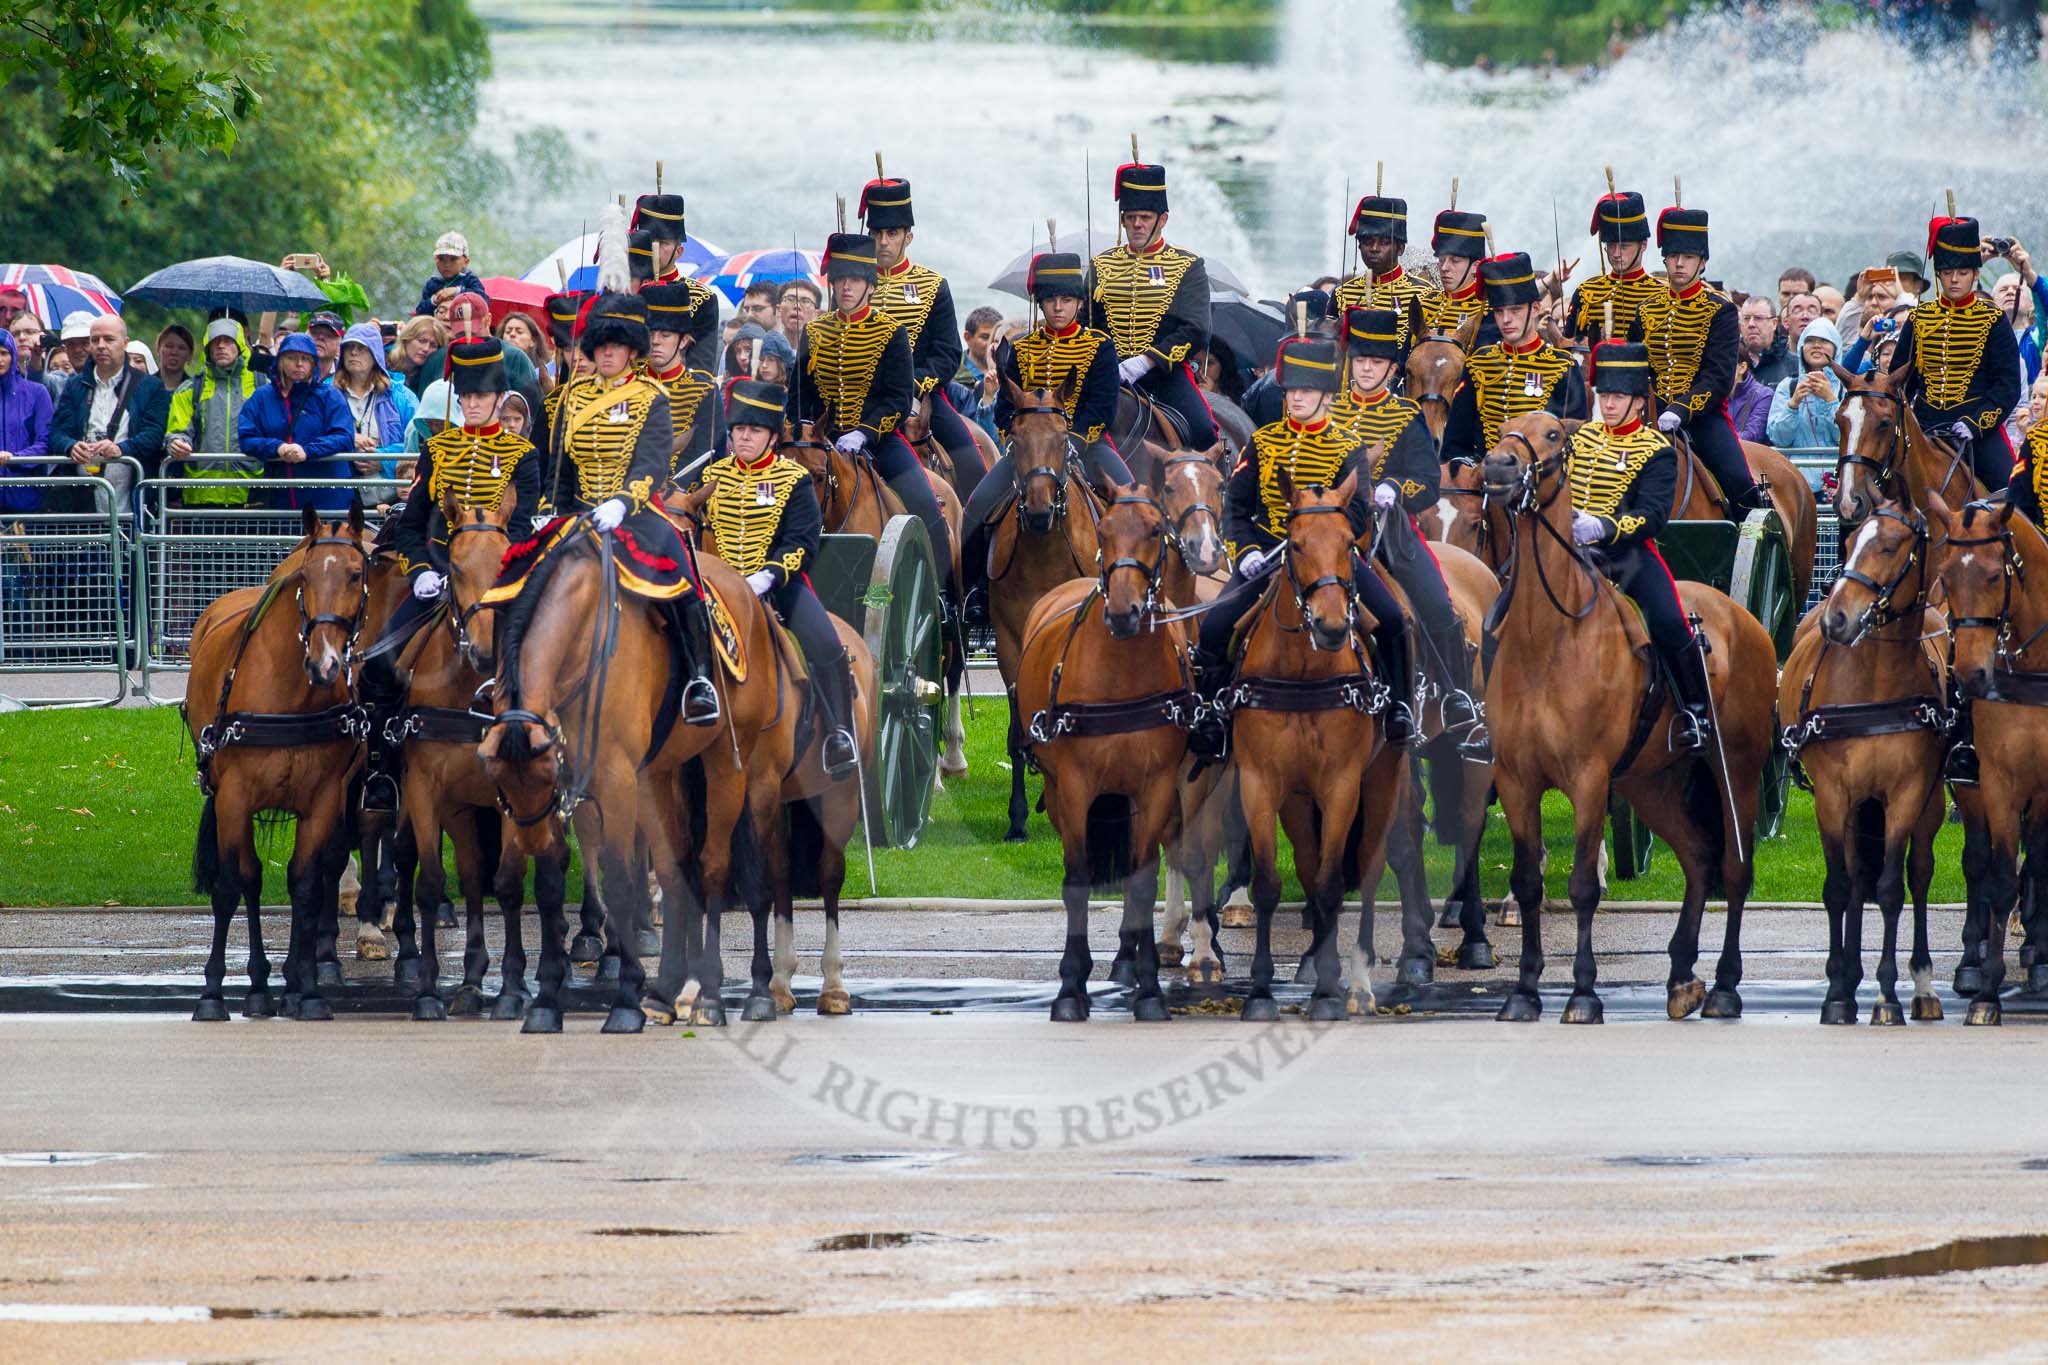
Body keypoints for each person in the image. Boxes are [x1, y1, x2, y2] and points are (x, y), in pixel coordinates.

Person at [1187, 335, 1416, 761]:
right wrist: (1246, 551)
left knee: (1392, 618)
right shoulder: (1264, 442)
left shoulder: (1347, 446)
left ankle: (1398, 708)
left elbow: (1360, 513)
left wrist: (1322, 537)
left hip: (1330, 557)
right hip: (1267, 555)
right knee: (1216, 626)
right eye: (1290, 390)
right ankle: (1212, 716)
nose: (1295, 398)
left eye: (1306, 390)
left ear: (1327, 396)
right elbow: (1236, 507)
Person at [515, 290, 721, 725]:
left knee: (684, 578)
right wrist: (551, 509)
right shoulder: (572, 398)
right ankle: (507, 678)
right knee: (517, 578)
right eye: (600, 346)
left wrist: (623, 503)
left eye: (616, 347)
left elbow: (651, 462)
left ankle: (699, 678)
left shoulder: (651, 397)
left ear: (632, 351)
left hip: (637, 514)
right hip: (577, 516)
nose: (607, 354)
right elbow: (561, 469)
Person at [358, 336, 543, 812]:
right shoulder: (437, 450)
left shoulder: (523, 456)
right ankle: (383, 768)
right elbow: (412, 524)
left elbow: (520, 532)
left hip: (499, 585)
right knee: (378, 664)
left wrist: (496, 581)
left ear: (500, 400)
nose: (474, 404)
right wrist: (423, 570)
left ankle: (546, 769)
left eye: (482, 396)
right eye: (466, 397)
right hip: (439, 581)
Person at [692, 377, 858, 776]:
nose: (744, 437)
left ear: (771, 436)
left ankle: (838, 732)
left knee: (825, 644)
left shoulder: (793, 479)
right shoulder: (711, 477)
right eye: (739, 430)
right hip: (717, 587)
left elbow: (802, 542)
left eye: (754, 430)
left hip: (778, 587)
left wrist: (767, 577)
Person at [1330, 307, 1479, 749]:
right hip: (1331, 533)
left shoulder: (1406, 417)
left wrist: (1394, 486)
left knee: (1438, 604)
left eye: (1375, 363)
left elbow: (1429, 483)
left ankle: (1457, 696)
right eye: (1360, 362)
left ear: (1392, 369)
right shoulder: (1329, 413)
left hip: (1392, 534)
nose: (1367, 369)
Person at [959, 251, 1136, 616]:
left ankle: (1135, 589)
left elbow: (1102, 406)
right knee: (976, 508)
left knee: (1132, 504)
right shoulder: (1021, 348)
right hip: (1027, 451)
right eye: (1051, 300)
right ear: (1040, 303)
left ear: (1079, 302)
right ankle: (972, 596)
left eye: (1066, 300)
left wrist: (1073, 441)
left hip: (1087, 447)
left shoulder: (1100, 346)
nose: (1058, 307)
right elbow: (1006, 409)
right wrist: (1019, 440)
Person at [791, 230, 955, 598]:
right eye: (840, 280)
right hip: (821, 443)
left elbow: (897, 399)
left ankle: (943, 598)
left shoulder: (891, 332)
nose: (846, 287)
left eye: (855, 280)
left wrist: (864, 432)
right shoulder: (815, 333)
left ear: (870, 284)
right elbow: (799, 395)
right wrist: (805, 428)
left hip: (877, 440)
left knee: (926, 505)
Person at [1568, 340, 1713, 751]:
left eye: (1618, 397)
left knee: (1669, 620)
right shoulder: (1580, 438)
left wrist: (1603, 527)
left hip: (1626, 555)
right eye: (1604, 396)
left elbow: (1652, 516)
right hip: (1570, 551)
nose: (1609, 404)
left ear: (1637, 402)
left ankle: (1695, 712)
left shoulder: (1656, 450)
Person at [861, 175, 987, 503]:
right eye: (877, 234)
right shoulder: (852, 286)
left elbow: (947, 353)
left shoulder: (933, 285)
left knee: (972, 462)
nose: (884, 241)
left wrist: (912, 387)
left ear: (909, 236)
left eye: (892, 233)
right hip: (859, 401)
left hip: (921, 393)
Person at [1639, 204, 1766, 514]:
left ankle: (1750, 541)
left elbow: (1719, 377)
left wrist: (1681, 410)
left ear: (1703, 263)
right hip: (1648, 417)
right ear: (1665, 258)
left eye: (1689, 257)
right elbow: (1638, 366)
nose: (1679, 264)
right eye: (1673, 257)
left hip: (1702, 419)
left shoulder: (1719, 310)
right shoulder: (1646, 309)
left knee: (1739, 483)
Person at [1086, 160, 1217, 450]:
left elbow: (1196, 329)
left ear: (1163, 219)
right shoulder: (1101, 265)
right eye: (1130, 216)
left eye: (1145, 216)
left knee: (1204, 433)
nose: (1137, 224)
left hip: (1165, 376)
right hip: (1109, 376)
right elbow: (1088, 323)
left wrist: (1146, 361)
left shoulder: (1188, 266)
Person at [1890, 214, 2021, 493]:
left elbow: (2007, 386)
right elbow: (1899, 380)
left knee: (2014, 494)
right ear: (1939, 274)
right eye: (1948, 273)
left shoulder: (1993, 319)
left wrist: (1975, 424)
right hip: (1924, 427)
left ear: (1975, 274)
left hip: (1975, 430)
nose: (1954, 280)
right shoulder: (1920, 318)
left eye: (1962, 273)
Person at [1442, 253, 1588, 464]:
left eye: (1515, 310)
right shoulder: (1478, 364)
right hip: (1481, 484)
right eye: (1499, 311)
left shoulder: (1562, 366)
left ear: (1535, 308)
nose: (1506, 320)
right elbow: (1455, 444)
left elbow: (1573, 443)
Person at [48, 314, 168, 508]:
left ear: (125, 343)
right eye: (94, 340)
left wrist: (122, 449)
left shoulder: (150, 386)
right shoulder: (75, 386)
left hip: (130, 497)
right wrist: (70, 446)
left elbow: (154, 433)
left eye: (109, 339)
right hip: (81, 499)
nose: (101, 345)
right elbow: (57, 432)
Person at [236, 332, 357, 511]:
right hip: (279, 500)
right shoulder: (262, 397)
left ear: (314, 364)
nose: (299, 364)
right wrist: (277, 447)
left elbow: (344, 436)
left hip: (328, 499)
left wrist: (307, 451)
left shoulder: (329, 396)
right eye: (291, 357)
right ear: (280, 360)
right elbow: (247, 438)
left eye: (305, 359)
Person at [165, 318, 263, 507]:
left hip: (250, 493)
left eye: (227, 340)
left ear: (240, 344)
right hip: (201, 494)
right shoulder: (190, 389)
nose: (220, 346)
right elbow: (177, 431)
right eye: (215, 342)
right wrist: (177, 443)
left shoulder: (261, 386)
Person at [1333, 192, 1437, 358]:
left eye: (1384, 242)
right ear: (1359, 246)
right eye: (1368, 241)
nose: (1374, 248)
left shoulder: (1425, 294)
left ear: (1400, 248)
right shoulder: (1341, 293)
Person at [631, 192, 722, 373]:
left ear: (678, 252)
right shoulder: (622, 290)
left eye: (663, 243)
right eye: (648, 241)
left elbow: (701, 368)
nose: (654, 248)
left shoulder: (701, 298)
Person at [639, 280, 718, 476]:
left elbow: (708, 455)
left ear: (683, 340)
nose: (655, 341)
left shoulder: (704, 390)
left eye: (665, 335)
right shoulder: (627, 383)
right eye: (650, 333)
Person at [1567, 189, 1666, 344]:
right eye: (1611, 245)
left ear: (1643, 245)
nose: (1616, 253)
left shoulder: (1662, 296)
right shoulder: (1586, 293)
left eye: (1624, 246)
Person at [335, 323, 418, 467]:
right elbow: (313, 436)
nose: (353, 352)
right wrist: (348, 438)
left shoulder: (401, 396)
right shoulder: (328, 392)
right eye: (349, 347)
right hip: (340, 483)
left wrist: (383, 461)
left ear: (375, 354)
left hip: (388, 486)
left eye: (361, 348)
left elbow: (416, 444)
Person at [1422, 208, 1497, 350]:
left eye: (1455, 261)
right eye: (1441, 260)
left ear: (1475, 266)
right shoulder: (1426, 304)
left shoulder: (1487, 311)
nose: (1444, 267)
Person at [1766, 317, 1845, 449]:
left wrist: (1830, 401)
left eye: (1824, 341)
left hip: (1836, 468)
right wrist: (1793, 404)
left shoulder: (1846, 387)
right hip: (1796, 468)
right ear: (1802, 348)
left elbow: (1846, 439)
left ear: (1835, 348)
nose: (1816, 345)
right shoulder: (1787, 386)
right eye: (1809, 341)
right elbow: (1779, 439)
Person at [0, 325, 55, 514]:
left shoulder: (37, 392)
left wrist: (15, 459)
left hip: (28, 499)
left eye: (4, 353)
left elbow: (46, 441)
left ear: (13, 356)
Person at [413, 231, 485, 317]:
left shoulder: (469, 279)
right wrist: (434, 300)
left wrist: (457, 291)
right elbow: (420, 311)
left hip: (462, 326)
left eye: (453, 259)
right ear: (435, 260)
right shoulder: (432, 283)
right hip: (438, 327)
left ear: (466, 262)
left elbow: (483, 300)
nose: (446, 264)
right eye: (441, 259)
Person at [1738, 294, 1795, 386]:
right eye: (1746, 318)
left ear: (1774, 323)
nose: (1751, 324)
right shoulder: (1730, 361)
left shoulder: (1794, 365)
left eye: (1758, 318)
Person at [497, 311, 554, 389]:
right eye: (508, 332)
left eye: (519, 332)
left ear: (533, 341)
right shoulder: (494, 370)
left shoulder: (547, 372)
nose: (512, 334)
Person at [1727, 355, 1773, 445]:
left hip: (1749, 455)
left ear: (1742, 367)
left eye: (1726, 364)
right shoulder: (1714, 394)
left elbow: (1753, 435)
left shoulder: (1763, 395)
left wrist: (1719, 441)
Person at [390, 315, 446, 389]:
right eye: (422, 341)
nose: (426, 349)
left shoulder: (431, 377)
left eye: (433, 345)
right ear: (406, 338)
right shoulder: (383, 363)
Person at [778, 278, 821, 352]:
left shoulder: (821, 352)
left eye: (806, 301)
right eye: (790, 299)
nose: (797, 306)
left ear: (816, 314)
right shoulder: (764, 348)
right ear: (779, 309)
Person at [305, 312, 345, 382]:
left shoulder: (345, 378)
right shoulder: (292, 369)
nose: (321, 337)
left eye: (329, 335)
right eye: (315, 332)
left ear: (339, 345)